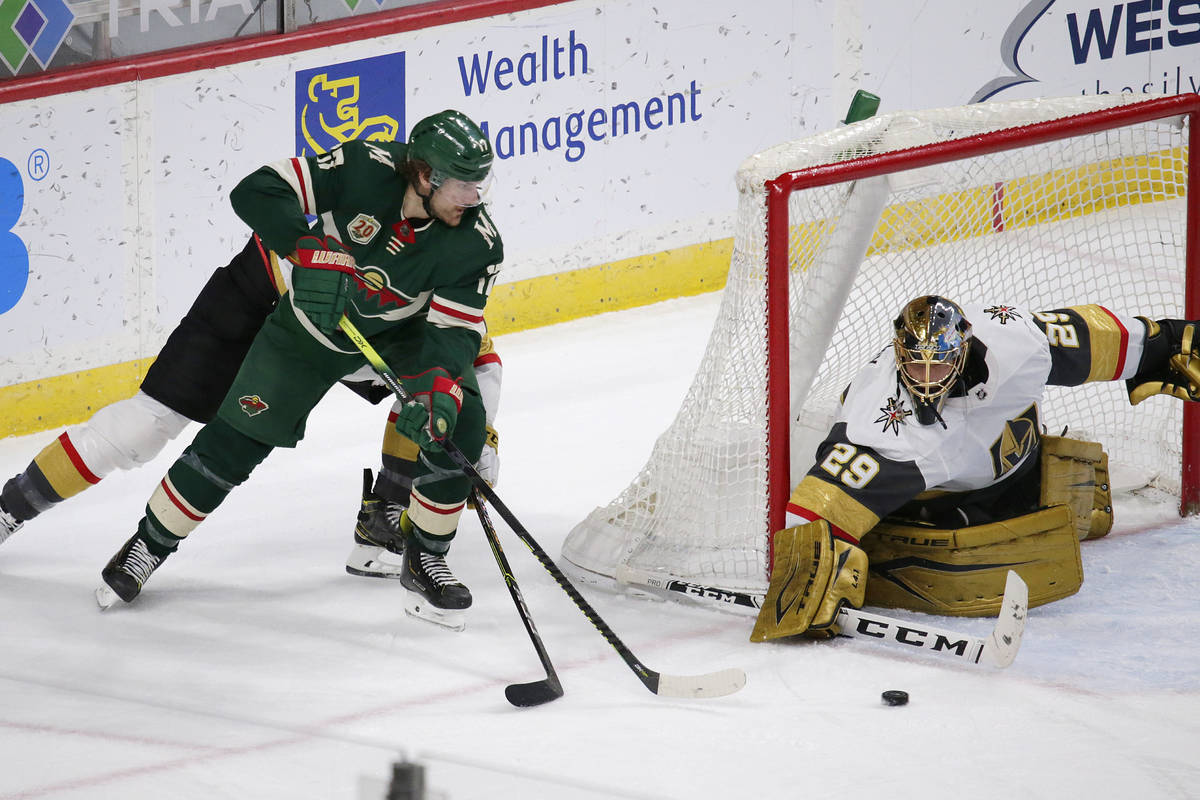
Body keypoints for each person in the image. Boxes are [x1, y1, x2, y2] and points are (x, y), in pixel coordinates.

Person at [0, 132, 502, 587]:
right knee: (144, 427)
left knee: (466, 379)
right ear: (424, 174)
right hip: (259, 302)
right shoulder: (365, 167)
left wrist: (465, 421)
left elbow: (455, 339)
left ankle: (385, 519)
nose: (474, 198)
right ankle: (11, 508)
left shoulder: (467, 242)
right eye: (463, 184)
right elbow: (259, 191)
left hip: (363, 327)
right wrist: (307, 250)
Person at [751, 295, 1200, 642]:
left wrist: (1162, 343)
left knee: (1085, 507)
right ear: (899, 355)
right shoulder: (880, 424)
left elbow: (1090, 338)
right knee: (985, 565)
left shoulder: (1016, 344)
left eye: (939, 363)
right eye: (916, 366)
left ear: (962, 348)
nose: (927, 378)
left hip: (1021, 471)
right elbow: (818, 506)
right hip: (940, 506)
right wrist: (806, 574)